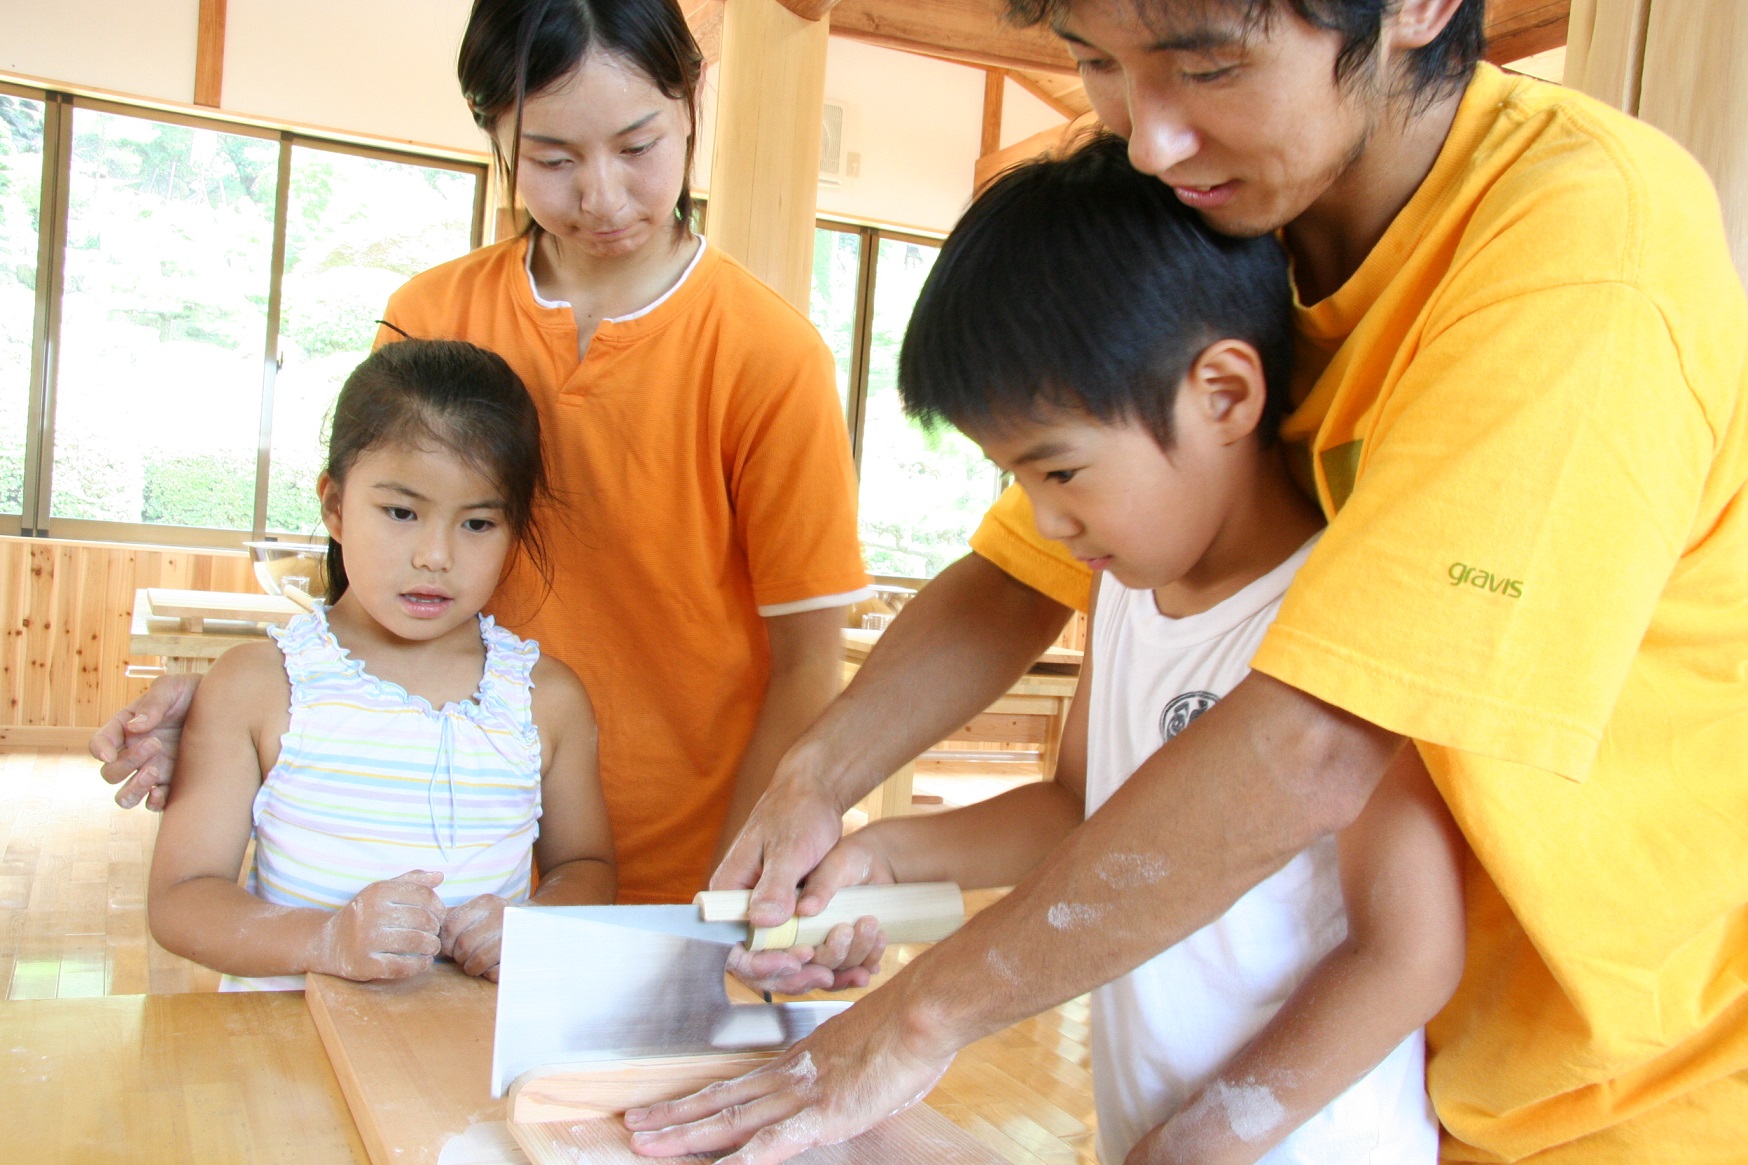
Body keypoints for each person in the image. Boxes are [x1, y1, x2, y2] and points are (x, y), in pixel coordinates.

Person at [632, 0, 1748, 1162]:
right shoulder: (1225, 237)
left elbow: (1314, 750)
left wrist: (922, 1017)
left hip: (1613, 1093)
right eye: (1095, 64)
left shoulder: (1579, 252)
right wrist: (822, 787)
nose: (1148, 138)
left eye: (1207, 66)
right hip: (1408, 1083)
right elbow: (1015, 580)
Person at [97, 0, 873, 914]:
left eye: (638, 146)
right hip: (438, 868)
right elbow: (371, 591)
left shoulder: (769, 356)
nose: (602, 196)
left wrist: (730, 892)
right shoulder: (431, 316)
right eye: (552, 159)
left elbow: (807, 663)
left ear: (692, 99)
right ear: (494, 132)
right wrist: (235, 719)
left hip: (674, 877)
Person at [802, 137, 1467, 1164]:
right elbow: (1080, 810)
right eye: (1016, 480)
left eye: (1060, 471)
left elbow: (1410, 953)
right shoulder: (1126, 589)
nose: (1044, 521)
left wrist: (1205, 1139)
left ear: (1224, 394)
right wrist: (884, 855)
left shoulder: (1338, 623)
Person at [147, 339, 615, 989]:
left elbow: (586, 867)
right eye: (401, 512)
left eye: (478, 523)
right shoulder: (258, 686)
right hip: (287, 1044)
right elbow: (181, 898)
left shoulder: (546, 697)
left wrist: (533, 926)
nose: (435, 555)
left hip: (472, 1044)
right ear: (335, 506)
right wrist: (326, 939)